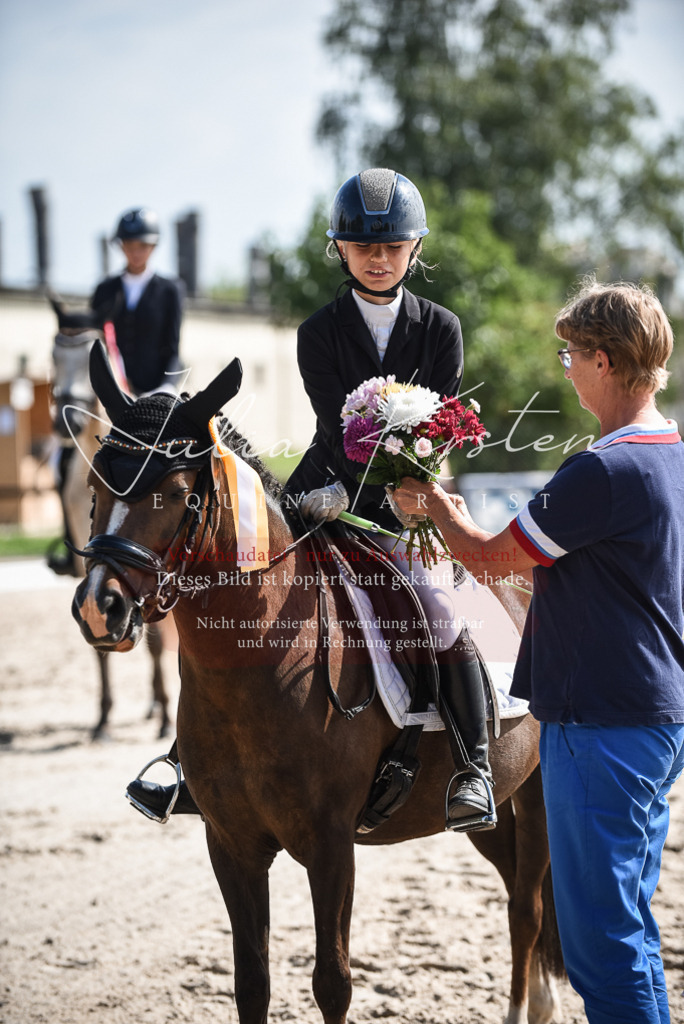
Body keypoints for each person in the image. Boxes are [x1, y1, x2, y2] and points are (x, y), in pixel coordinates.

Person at [127, 168, 509, 831]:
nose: (379, 259)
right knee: (231, 597)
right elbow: (338, 427)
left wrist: (413, 491)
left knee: (443, 610)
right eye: (364, 247)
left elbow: (435, 428)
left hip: (408, 500)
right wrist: (332, 492)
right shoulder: (318, 331)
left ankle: (473, 767)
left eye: (393, 247)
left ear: (415, 248)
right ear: (341, 250)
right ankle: (187, 761)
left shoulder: (441, 328)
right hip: (321, 491)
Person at [393, 280, 684, 1023]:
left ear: (603, 361)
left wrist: (439, 510)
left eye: (570, 356)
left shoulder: (603, 469)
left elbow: (494, 560)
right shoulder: (672, 452)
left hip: (602, 723)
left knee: (601, 946)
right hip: (655, 715)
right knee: (630, 926)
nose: (567, 369)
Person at [91, 207, 184, 396]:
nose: (135, 252)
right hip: (111, 392)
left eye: (142, 246)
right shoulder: (104, 289)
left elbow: (173, 350)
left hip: (154, 392)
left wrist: (166, 387)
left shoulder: (170, 290)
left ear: (153, 246)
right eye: (129, 245)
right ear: (121, 246)